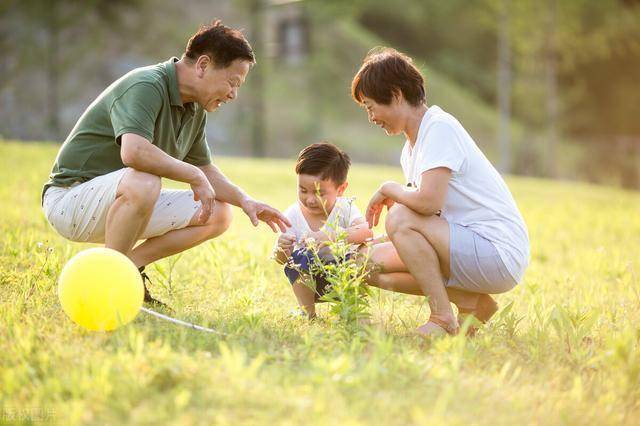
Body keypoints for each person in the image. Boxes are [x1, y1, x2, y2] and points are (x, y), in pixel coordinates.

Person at [42, 20, 290, 305]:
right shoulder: (146, 85)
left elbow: (206, 169)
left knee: (219, 213)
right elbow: (134, 152)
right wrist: (193, 175)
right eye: (232, 82)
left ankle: (127, 270)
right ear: (203, 65)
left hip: (120, 200)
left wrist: (245, 200)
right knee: (145, 180)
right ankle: (107, 284)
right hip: (71, 199)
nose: (234, 94)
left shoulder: (195, 109)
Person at [351, 48, 530, 336]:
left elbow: (425, 203)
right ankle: (472, 302)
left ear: (396, 95)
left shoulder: (439, 128)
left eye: (371, 106)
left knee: (399, 217)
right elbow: (430, 218)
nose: (371, 117)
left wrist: (389, 188)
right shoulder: (410, 149)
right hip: (464, 245)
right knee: (365, 262)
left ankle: (442, 318)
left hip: (496, 252)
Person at [273, 143, 373, 318]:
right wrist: (282, 250)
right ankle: (308, 313)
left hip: (342, 276)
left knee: (359, 257)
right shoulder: (293, 215)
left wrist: (330, 235)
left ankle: (350, 312)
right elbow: (282, 261)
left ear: (341, 189)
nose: (310, 200)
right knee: (297, 260)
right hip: (311, 283)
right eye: (303, 190)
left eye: (319, 193)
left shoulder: (345, 208)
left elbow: (366, 231)